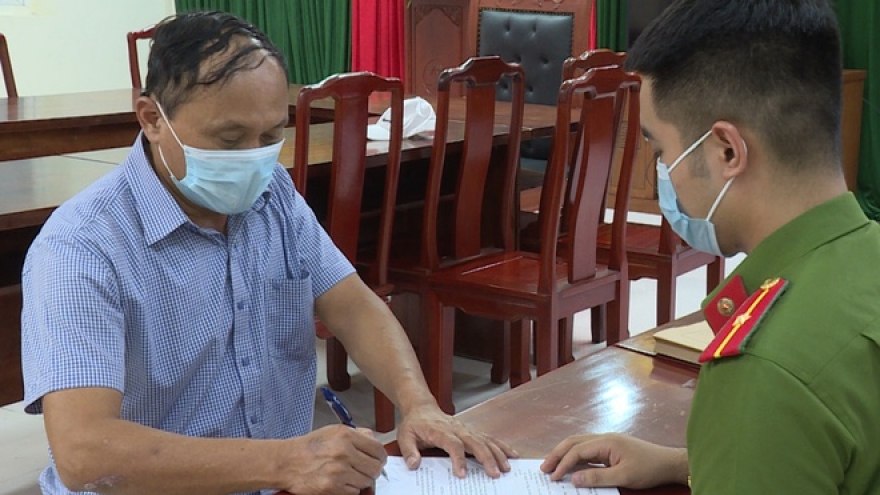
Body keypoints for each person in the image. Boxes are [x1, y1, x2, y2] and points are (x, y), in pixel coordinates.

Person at [20, 11, 516, 495]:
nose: (252, 158)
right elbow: (85, 454)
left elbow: (351, 304)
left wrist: (419, 404)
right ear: (153, 119)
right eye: (230, 138)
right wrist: (285, 462)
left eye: (271, 136)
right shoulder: (81, 248)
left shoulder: (272, 193)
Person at [540, 0, 880, 493]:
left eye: (662, 151)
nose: (665, 173)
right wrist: (695, 461)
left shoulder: (763, 372)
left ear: (727, 150)